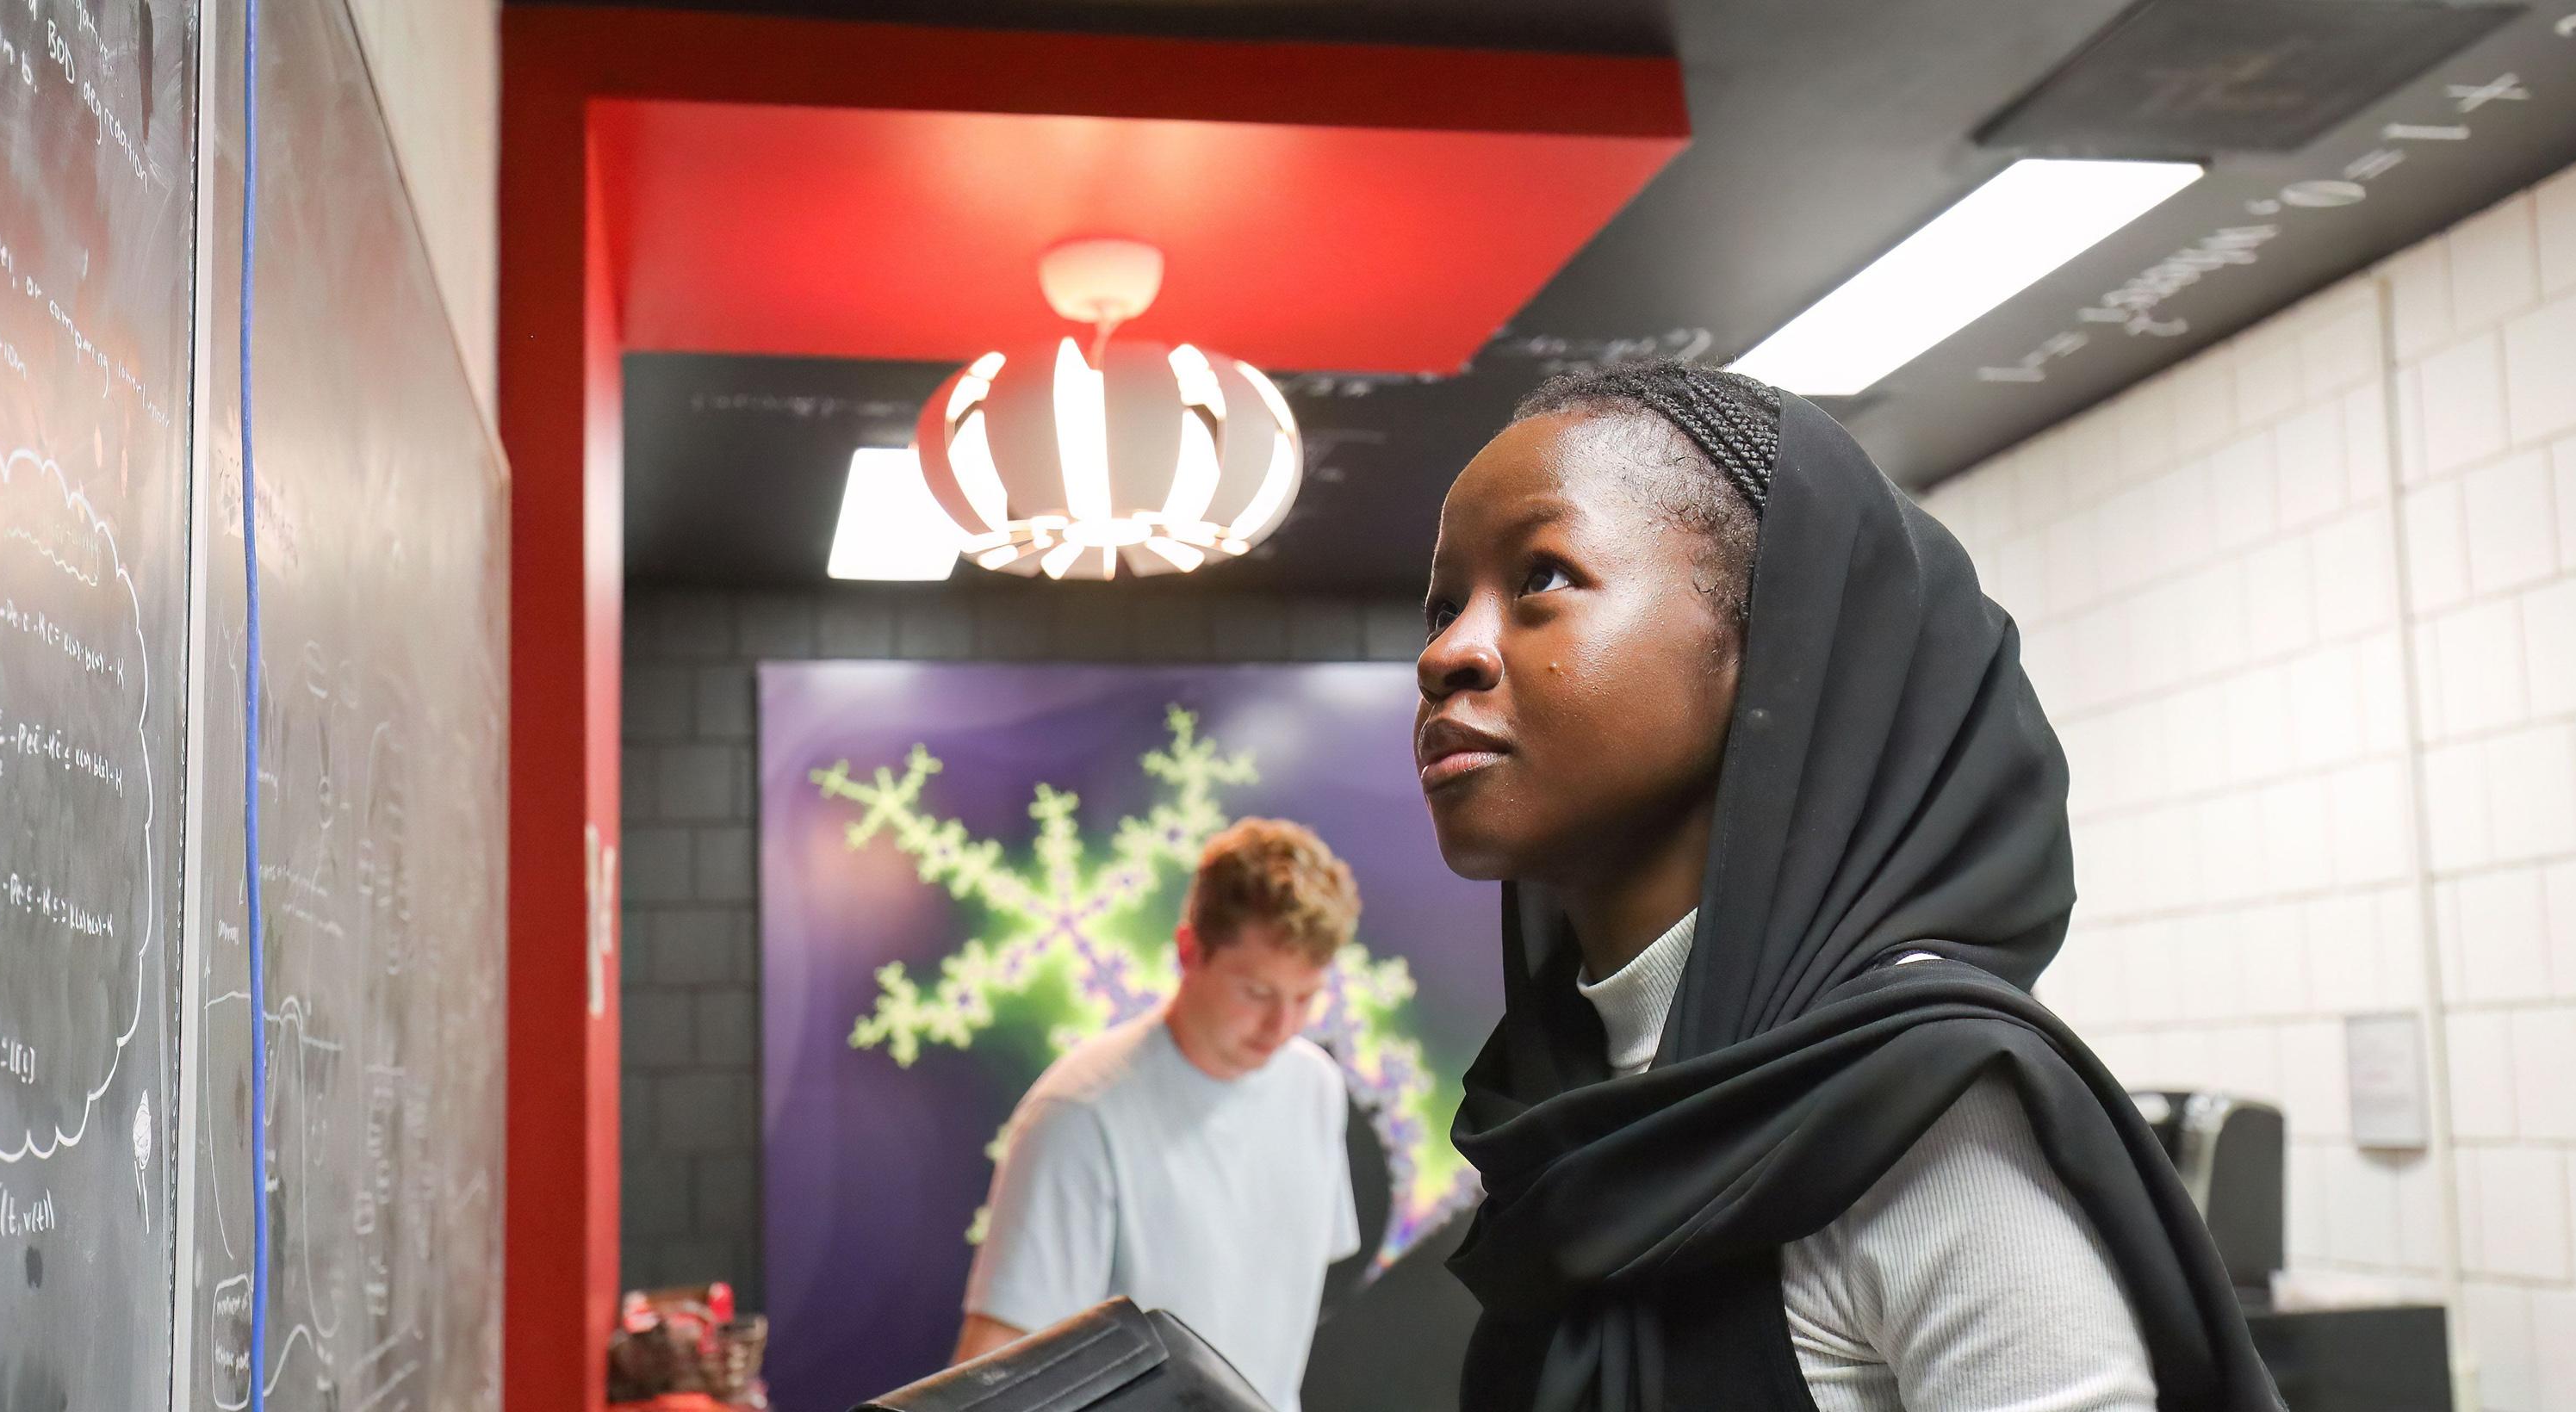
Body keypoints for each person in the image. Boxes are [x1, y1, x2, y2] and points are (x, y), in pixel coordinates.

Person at [1414, 361, 2279, 1411]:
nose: (1446, 653)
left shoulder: (1914, 1115)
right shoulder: (1568, 1110)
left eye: (1540, 576)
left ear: (1764, 639)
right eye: (1444, 605)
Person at [953, 817, 1365, 1412]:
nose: (1282, 1027)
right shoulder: (1078, 1114)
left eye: (1305, 997)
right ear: (1188, 951)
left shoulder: (1317, 1087)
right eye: (1256, 992)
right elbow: (994, 1368)